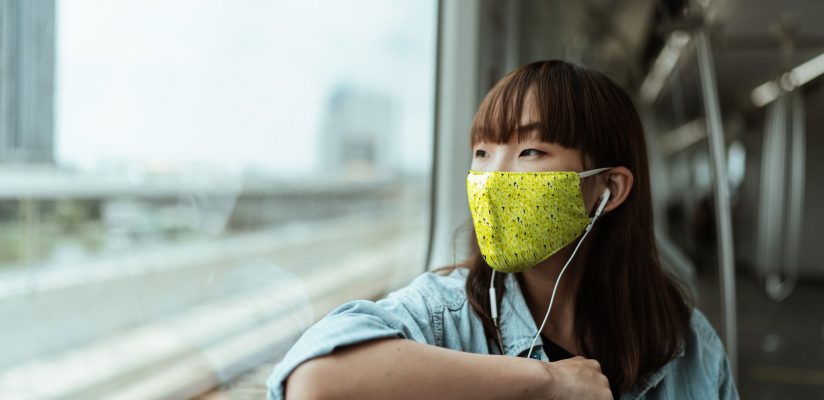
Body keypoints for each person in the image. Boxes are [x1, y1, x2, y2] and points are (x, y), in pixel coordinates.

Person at [266, 60, 738, 400]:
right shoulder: (446, 315)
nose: (492, 178)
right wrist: (546, 382)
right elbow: (314, 380)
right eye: (482, 153)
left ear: (608, 189)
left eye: (530, 152)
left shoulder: (687, 344)